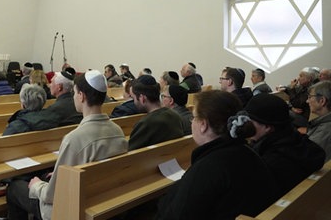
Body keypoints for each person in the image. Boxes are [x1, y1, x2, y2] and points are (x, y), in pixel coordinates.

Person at [6, 70, 128, 220]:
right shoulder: (117, 130)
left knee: (15, 188)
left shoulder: (74, 138)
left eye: (75, 93)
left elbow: (52, 195)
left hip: (69, 208)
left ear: (81, 96)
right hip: (101, 196)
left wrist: (37, 186)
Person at [155, 90, 277, 220]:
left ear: (203, 125)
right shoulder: (248, 152)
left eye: (194, 117)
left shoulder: (208, 167)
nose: (192, 122)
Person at [246, 93, 325, 197]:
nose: (246, 125)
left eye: (250, 121)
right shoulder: (297, 142)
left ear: (267, 127)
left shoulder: (269, 162)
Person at [128, 75, 184, 150]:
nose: (134, 102)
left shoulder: (145, 124)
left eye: (134, 98)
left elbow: (131, 154)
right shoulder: (175, 115)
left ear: (142, 98)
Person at [307, 81, 331, 161]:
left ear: (322, 101)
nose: (307, 101)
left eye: (310, 97)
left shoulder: (325, 129)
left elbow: (305, 157)